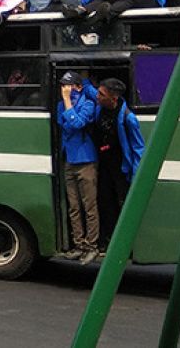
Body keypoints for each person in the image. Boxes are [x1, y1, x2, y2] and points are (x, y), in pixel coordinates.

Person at [83, 77, 144, 248]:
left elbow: (138, 148)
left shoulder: (127, 118)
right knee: (105, 201)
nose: (97, 96)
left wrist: (137, 176)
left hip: (120, 168)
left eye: (101, 94)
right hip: (104, 165)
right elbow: (89, 89)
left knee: (121, 202)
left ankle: (124, 243)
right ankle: (106, 240)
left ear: (113, 98)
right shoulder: (99, 109)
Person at [56, 72, 100, 264]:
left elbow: (76, 123)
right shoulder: (61, 105)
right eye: (63, 87)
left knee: (89, 206)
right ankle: (78, 244)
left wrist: (68, 102)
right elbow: (64, 124)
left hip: (86, 160)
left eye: (69, 86)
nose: (65, 90)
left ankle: (92, 246)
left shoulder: (88, 104)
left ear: (78, 87)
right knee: (74, 207)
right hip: (69, 160)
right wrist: (67, 107)